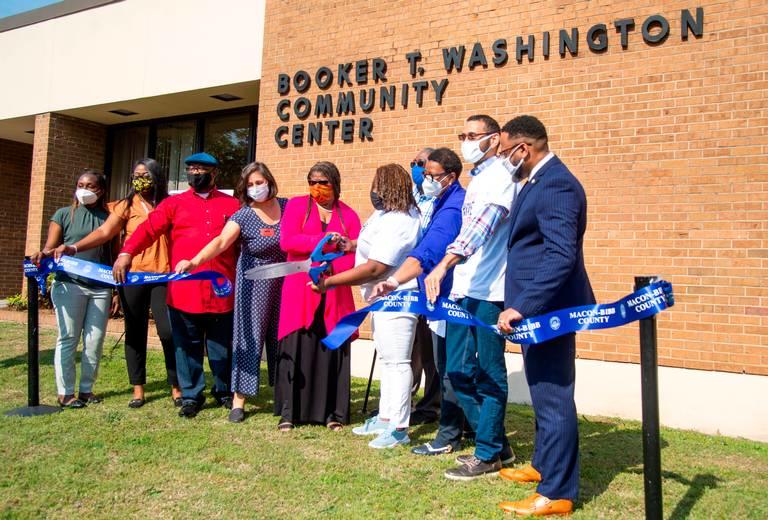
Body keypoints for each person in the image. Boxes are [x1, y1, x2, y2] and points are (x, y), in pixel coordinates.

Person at [496, 116, 594, 516]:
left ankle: (557, 493)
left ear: (523, 149)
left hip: (548, 312)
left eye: (505, 152)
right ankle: (543, 466)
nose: (503, 159)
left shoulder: (556, 183)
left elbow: (560, 254)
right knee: (542, 394)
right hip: (537, 312)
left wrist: (524, 305)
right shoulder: (535, 180)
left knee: (553, 398)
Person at [424, 114, 517, 480]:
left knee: (490, 373)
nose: (466, 141)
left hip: (490, 292)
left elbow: (480, 230)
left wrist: (443, 264)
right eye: (462, 134)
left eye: (473, 135)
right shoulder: (478, 179)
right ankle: (495, 443)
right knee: (456, 371)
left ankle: (488, 454)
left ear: (494, 139)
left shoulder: (500, 178)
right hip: (464, 288)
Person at [113, 152, 240, 419]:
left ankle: (224, 390)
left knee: (221, 345)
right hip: (185, 292)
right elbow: (147, 230)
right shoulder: (174, 203)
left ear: (213, 174)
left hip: (221, 290)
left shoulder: (232, 205)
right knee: (186, 345)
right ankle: (192, 395)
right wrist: (127, 253)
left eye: (201, 169)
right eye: (191, 169)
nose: (195, 173)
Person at [53, 159, 179, 409]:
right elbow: (104, 233)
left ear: (157, 177)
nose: (139, 179)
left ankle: (176, 386)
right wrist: (74, 247)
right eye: (135, 175)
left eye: (144, 175)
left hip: (163, 275)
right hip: (131, 276)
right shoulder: (125, 206)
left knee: (167, 331)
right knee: (135, 330)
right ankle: (138, 389)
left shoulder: (170, 203)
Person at [311, 163, 421, 448]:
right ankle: (385, 418)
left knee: (398, 362)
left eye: (377, 185)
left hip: (397, 298)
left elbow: (375, 267)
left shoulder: (401, 219)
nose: (373, 191)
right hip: (379, 298)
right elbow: (373, 245)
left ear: (389, 188)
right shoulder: (384, 214)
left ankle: (398, 427)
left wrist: (330, 282)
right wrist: (350, 245)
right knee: (386, 358)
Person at [367, 148, 467, 455]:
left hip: (446, 296)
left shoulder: (451, 209)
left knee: (449, 371)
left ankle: (451, 434)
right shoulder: (437, 203)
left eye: (430, 173)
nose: (424, 178)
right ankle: (457, 430)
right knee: (441, 366)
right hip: (432, 296)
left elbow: (427, 252)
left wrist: (394, 280)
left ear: (449, 177)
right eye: (422, 173)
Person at [175, 162, 286, 423]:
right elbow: (221, 242)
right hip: (253, 282)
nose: (256, 188)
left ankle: (284, 394)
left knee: (283, 338)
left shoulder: (289, 206)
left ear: (269, 181)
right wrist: (194, 262)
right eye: (250, 184)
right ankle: (239, 400)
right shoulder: (243, 215)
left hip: (284, 280)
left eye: (260, 182)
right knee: (249, 339)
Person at [274, 161, 361, 431]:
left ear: (335, 183)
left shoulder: (349, 214)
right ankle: (290, 412)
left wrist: (331, 269)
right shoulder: (298, 207)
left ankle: (332, 413)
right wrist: (324, 244)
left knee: (331, 350)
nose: (317, 187)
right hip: (300, 290)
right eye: (312, 181)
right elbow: (287, 241)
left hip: (335, 290)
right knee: (297, 345)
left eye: (323, 182)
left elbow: (357, 254)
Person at [29, 169, 112, 408]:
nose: (85, 189)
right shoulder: (63, 214)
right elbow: (50, 247)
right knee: (68, 337)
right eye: (81, 184)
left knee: (95, 340)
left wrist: (114, 290)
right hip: (69, 284)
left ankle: (86, 389)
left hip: (100, 287)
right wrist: (42, 254)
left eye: (91, 185)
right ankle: (65, 393)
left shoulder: (108, 217)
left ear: (101, 190)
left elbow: (111, 253)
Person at [407, 147, 441, 425]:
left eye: (422, 163)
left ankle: (431, 405)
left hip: (432, 282)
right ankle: (408, 399)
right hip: (410, 283)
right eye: (414, 163)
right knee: (412, 347)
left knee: (431, 352)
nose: (417, 168)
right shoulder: (411, 198)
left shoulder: (440, 198)